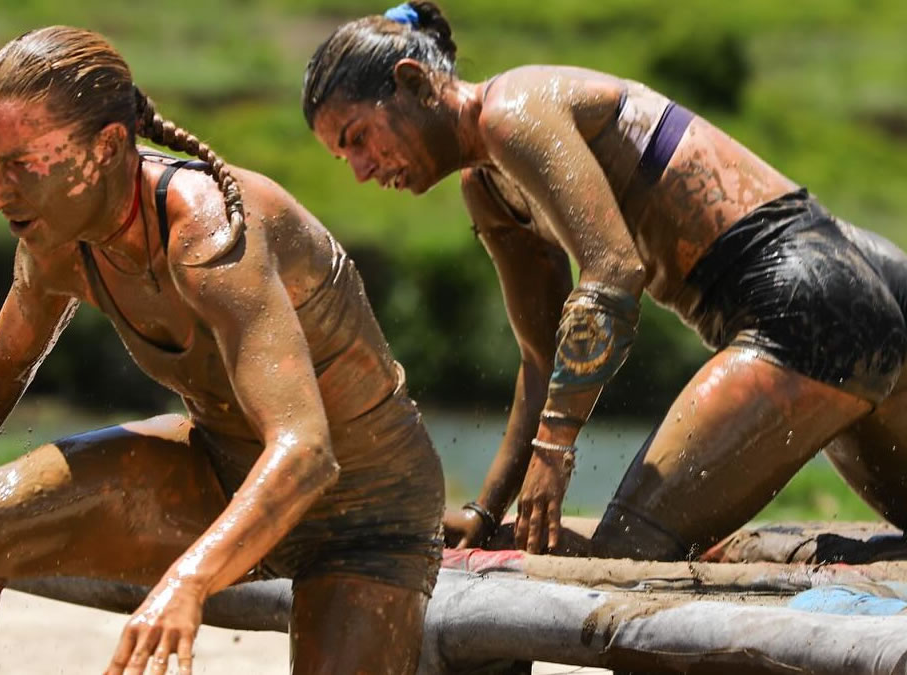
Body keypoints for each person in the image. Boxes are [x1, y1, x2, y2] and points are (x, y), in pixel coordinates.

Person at [0, 25, 444, 675]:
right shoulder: (56, 238)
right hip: (222, 476)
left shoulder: (210, 234)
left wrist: (187, 581)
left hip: (364, 519)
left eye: (20, 165)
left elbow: (305, 451)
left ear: (108, 147)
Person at [301, 2, 907, 560]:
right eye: (342, 157)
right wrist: (484, 512)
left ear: (413, 83)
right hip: (846, 280)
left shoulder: (511, 112)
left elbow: (614, 272)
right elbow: (542, 358)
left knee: (631, 550)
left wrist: (554, 451)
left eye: (358, 138)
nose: (360, 170)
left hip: (808, 303)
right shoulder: (486, 188)